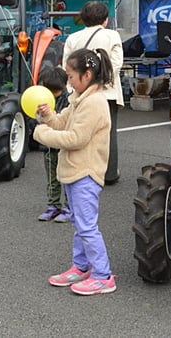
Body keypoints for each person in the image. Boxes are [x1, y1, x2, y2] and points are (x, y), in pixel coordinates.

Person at [35, 47, 117, 296]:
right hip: (74, 172)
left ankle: (103, 275)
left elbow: (76, 138)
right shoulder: (79, 98)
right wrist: (49, 117)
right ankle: (82, 267)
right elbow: (62, 122)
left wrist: (42, 133)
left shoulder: (94, 102)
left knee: (87, 226)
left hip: (85, 174)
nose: (68, 81)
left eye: (71, 76)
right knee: (81, 224)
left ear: (87, 75)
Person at [62, 1, 123, 185]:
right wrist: (99, 82)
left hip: (80, 94)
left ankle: (80, 172)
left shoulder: (73, 38)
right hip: (107, 93)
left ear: (83, 18)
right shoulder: (112, 35)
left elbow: (67, 65)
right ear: (105, 20)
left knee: (79, 131)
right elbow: (116, 64)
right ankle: (109, 173)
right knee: (107, 133)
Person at [36, 66, 72, 223]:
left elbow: (65, 122)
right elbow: (36, 117)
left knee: (68, 178)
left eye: (54, 91)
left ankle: (69, 207)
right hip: (48, 147)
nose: (51, 94)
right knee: (52, 178)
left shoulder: (69, 100)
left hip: (64, 146)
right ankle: (53, 206)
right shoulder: (41, 99)